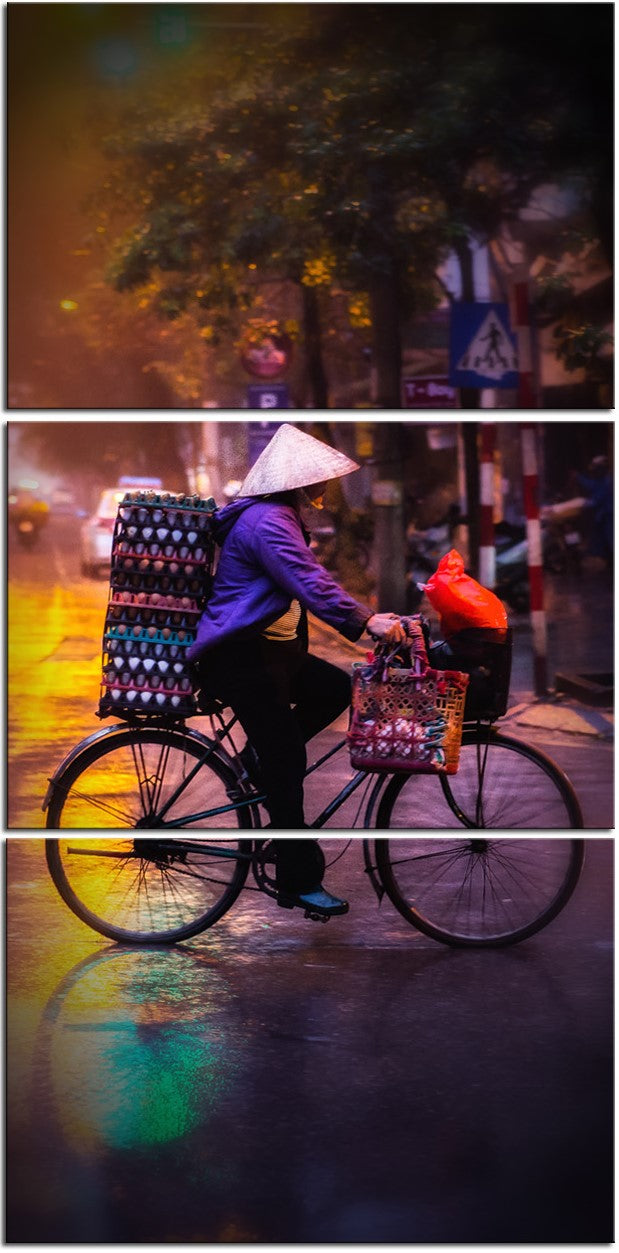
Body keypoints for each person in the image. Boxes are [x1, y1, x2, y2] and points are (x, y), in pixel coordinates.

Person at [187, 423, 405, 917]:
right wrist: (365, 620)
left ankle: (256, 765)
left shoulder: (276, 515)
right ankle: (297, 880)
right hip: (240, 656)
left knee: (335, 691)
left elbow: (306, 581)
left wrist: (367, 618)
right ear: (296, 482)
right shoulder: (268, 521)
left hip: (270, 653)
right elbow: (308, 580)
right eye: (317, 478)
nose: (324, 487)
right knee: (286, 761)